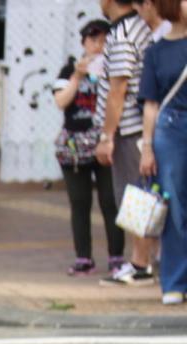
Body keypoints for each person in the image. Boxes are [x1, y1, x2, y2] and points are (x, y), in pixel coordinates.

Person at [54, 19, 126, 277]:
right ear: (83, 42)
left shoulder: (116, 68)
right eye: (93, 40)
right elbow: (61, 101)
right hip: (75, 144)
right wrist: (77, 76)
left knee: (110, 200)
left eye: (104, 39)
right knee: (79, 202)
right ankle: (83, 257)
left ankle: (117, 256)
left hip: (105, 141)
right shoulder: (68, 70)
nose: (98, 45)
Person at [96, 0, 156, 286]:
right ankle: (143, 261)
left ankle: (140, 264)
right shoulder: (138, 26)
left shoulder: (121, 36)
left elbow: (117, 90)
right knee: (140, 194)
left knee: (134, 196)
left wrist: (107, 136)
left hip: (130, 129)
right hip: (140, 128)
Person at [138, 0, 187, 304]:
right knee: (174, 207)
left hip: (172, 129)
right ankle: (174, 281)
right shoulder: (154, 53)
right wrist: (146, 148)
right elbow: (151, 104)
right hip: (169, 130)